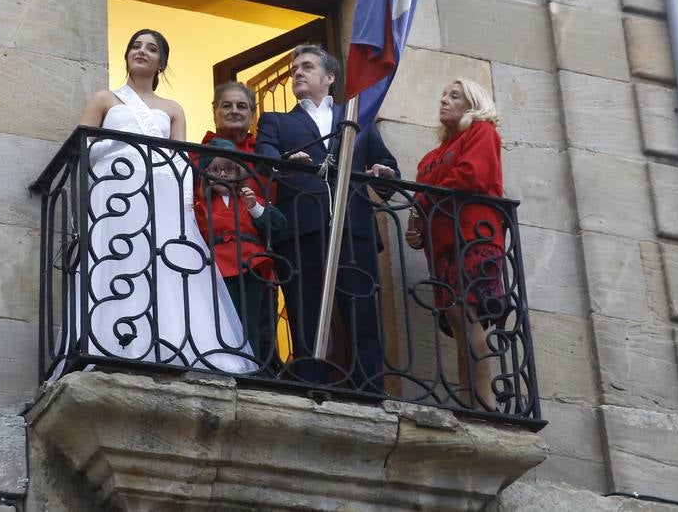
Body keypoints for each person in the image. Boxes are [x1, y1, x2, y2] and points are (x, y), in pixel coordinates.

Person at [68, 29, 254, 375]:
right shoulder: (104, 99)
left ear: (161, 63)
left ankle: (173, 343)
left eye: (151, 49)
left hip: (163, 191)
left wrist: (185, 202)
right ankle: (118, 342)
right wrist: (121, 145)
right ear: (126, 55)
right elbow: (81, 150)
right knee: (120, 260)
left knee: (166, 264)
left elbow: (180, 160)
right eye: (136, 46)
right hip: (116, 190)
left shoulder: (172, 108)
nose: (142, 51)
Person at [255, 44, 397, 391]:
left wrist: (384, 173)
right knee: (304, 312)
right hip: (302, 229)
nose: (297, 73)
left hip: (353, 228)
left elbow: (389, 167)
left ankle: (370, 391)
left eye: (306, 67)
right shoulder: (277, 120)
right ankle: (310, 388)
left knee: (361, 313)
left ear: (329, 77)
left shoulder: (357, 120)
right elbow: (265, 158)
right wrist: (287, 161)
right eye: (294, 69)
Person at [404, 78, 507, 411]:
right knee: (459, 321)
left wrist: (426, 201)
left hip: (472, 237)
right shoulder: (430, 157)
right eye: (443, 95)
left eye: (454, 96)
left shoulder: (482, 132)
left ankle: (483, 399)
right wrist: (415, 227)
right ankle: (469, 399)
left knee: (466, 316)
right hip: (442, 248)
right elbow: (420, 202)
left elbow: (471, 176)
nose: (444, 101)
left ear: (473, 104)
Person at [193, 138, 286, 359]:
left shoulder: (250, 199)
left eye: (228, 169)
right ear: (206, 174)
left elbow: (278, 224)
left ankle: (250, 365)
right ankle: (226, 362)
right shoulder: (200, 205)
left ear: (238, 173)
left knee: (249, 320)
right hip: (217, 267)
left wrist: (255, 208)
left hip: (250, 264)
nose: (222, 174)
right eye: (215, 169)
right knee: (222, 318)